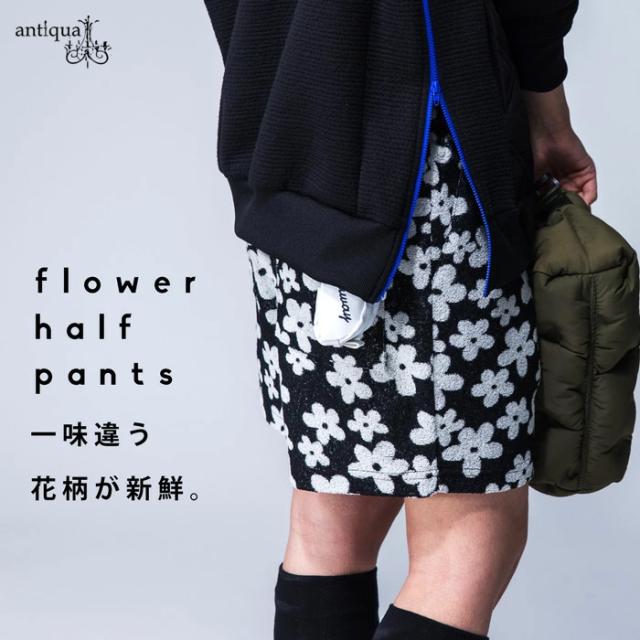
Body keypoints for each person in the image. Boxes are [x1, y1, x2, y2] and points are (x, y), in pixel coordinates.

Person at [203, 1, 596, 638]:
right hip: (426, 170)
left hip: (293, 161)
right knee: (469, 533)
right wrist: (546, 105)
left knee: (333, 520)